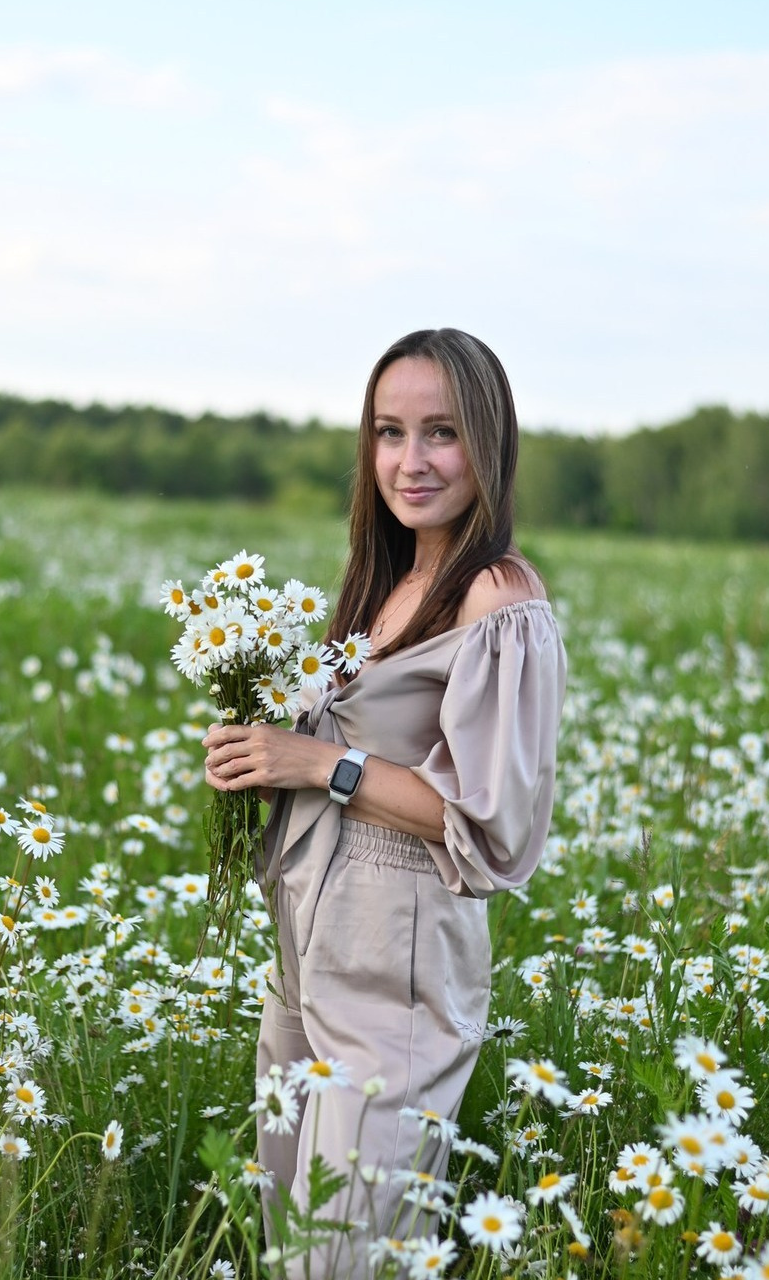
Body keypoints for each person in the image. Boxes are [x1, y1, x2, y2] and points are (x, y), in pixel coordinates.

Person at [202, 328, 567, 1277]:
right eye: (389, 432)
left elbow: (488, 829)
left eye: (440, 432)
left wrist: (321, 763)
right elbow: (326, 747)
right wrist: (257, 754)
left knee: (355, 1244)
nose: (411, 461)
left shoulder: (497, 597)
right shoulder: (387, 578)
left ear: (488, 441)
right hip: (312, 934)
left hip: (397, 942)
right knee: (296, 1233)